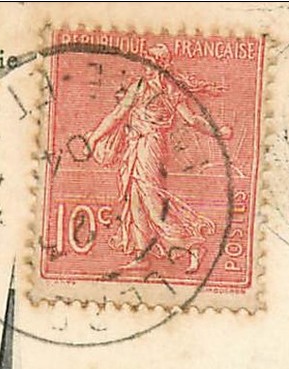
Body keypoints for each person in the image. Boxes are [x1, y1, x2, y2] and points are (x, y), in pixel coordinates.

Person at [82, 43, 231, 274]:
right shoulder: (139, 86)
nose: (147, 66)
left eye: (151, 62)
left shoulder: (171, 89)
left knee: (153, 202)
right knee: (135, 201)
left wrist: (217, 132)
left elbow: (191, 119)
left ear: (161, 64)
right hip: (135, 146)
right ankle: (141, 255)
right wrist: (93, 140)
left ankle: (191, 245)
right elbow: (117, 115)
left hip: (152, 146)